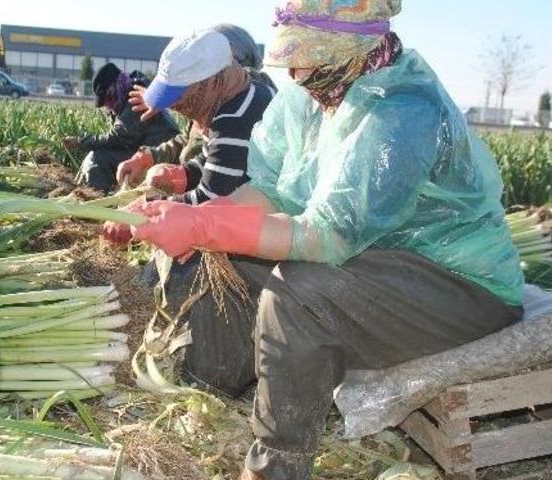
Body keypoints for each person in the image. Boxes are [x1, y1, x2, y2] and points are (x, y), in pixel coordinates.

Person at [105, 1, 526, 479]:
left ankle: (277, 466)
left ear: (351, 49)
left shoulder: (402, 112)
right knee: (232, 259)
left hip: (457, 283)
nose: (298, 73)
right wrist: (194, 218)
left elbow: (329, 235)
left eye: (310, 60)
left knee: (297, 294)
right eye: (294, 61)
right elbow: (271, 190)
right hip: (378, 258)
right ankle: (213, 382)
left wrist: (202, 226)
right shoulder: (312, 96)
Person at [116, 24, 278, 188]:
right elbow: (192, 140)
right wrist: (148, 157)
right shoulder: (213, 103)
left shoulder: (238, 112)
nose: (177, 104)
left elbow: (215, 188)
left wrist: (171, 202)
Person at [64, 63, 179, 193]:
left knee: (98, 158)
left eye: (107, 99)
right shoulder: (127, 95)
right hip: (152, 150)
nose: (107, 106)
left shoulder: (133, 99)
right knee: (99, 154)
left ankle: (91, 197)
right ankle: (81, 191)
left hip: (162, 154)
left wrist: (81, 141)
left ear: (114, 88)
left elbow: (117, 137)